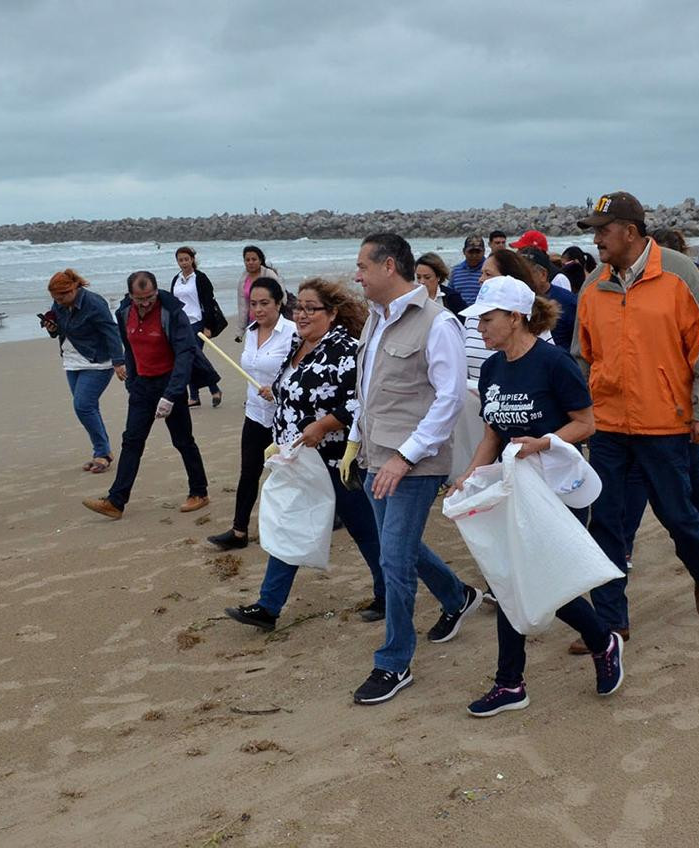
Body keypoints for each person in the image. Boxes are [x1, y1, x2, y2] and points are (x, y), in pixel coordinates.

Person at [451, 277, 622, 716]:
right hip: (513, 489)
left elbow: (586, 424)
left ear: (515, 317)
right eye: (478, 321)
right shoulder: (491, 368)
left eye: (487, 320)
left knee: (539, 580)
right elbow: (493, 433)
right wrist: (468, 478)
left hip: (558, 487)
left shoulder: (553, 363)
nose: (480, 329)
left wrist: (542, 442)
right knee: (513, 578)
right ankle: (512, 681)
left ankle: (598, 641)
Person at [575, 190, 699, 643]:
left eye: (603, 231)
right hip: (607, 425)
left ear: (631, 232)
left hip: (666, 423)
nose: (597, 240)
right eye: (594, 232)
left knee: (678, 515)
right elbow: (583, 357)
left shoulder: (680, 275)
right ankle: (610, 620)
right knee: (604, 522)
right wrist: (580, 414)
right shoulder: (593, 285)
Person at [342, 233, 483, 705]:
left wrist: (406, 456)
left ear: (388, 266)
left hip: (414, 463)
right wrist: (355, 443)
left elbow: (449, 398)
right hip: (373, 456)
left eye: (363, 265)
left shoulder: (439, 323)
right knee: (395, 546)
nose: (357, 275)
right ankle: (457, 596)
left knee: (394, 560)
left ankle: (394, 662)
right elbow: (370, 388)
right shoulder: (376, 320)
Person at [225, 279, 389, 628]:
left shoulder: (345, 349)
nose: (301, 314)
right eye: (298, 306)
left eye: (311, 308)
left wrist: (324, 425)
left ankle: (400, 592)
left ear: (332, 313)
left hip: (336, 458)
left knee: (366, 529)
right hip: (299, 457)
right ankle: (268, 606)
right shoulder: (299, 345)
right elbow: (295, 392)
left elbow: (359, 400)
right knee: (290, 522)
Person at [83, 271, 216, 519]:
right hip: (142, 386)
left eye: (150, 297)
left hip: (170, 384)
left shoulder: (172, 313)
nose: (145, 303)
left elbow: (185, 354)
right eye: (139, 299)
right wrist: (132, 381)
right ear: (130, 296)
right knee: (131, 441)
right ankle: (116, 501)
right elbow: (130, 348)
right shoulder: (124, 313)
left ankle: (199, 491)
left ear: (157, 291)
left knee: (183, 440)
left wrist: (172, 394)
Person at [207, 278, 295, 550]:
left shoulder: (293, 332)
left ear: (279, 303)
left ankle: (311, 523)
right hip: (255, 414)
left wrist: (279, 391)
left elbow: (302, 375)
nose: (258, 309)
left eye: (264, 303)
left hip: (286, 417)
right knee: (249, 472)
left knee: (292, 475)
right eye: (253, 304)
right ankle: (239, 531)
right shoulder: (251, 331)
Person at [42, 269, 124, 473]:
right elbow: (61, 328)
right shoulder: (59, 303)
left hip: (97, 360)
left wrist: (119, 361)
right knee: (88, 407)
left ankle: (102, 452)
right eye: (54, 298)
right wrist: (52, 328)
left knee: (82, 405)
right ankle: (102, 450)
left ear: (73, 289)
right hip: (72, 360)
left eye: (61, 297)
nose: (58, 301)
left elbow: (110, 330)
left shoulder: (94, 303)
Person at [464, 249, 547, 381]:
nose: (480, 280)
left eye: (488, 274)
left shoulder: (532, 320)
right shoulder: (471, 315)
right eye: (481, 273)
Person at [170, 246, 225, 408]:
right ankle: (196, 396)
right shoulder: (176, 279)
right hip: (180, 324)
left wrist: (208, 326)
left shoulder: (200, 278)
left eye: (186, 259)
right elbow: (172, 302)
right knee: (189, 359)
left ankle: (210, 391)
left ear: (192, 259)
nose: (184, 262)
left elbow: (208, 302)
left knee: (193, 357)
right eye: (180, 260)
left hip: (197, 323)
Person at [518, 247, 577, 351]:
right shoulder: (514, 300)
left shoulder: (568, 301)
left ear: (543, 274)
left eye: (524, 274)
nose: (518, 279)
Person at [235, 246, 282, 340]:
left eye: (254, 259)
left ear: (260, 260)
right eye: (247, 260)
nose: (250, 262)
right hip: (252, 321)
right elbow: (243, 307)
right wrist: (240, 331)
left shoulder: (269, 274)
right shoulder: (243, 280)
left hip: (271, 320)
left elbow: (281, 296)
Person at [414, 252, 469, 316]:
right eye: (418, 277)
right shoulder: (413, 298)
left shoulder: (452, 297)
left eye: (427, 277)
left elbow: (464, 322)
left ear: (438, 276)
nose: (421, 281)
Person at [448, 236, 486, 304]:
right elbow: (450, 295)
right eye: (471, 252)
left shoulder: (490, 271)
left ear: (484, 251)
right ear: (464, 251)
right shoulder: (456, 271)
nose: (474, 255)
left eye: (477, 252)